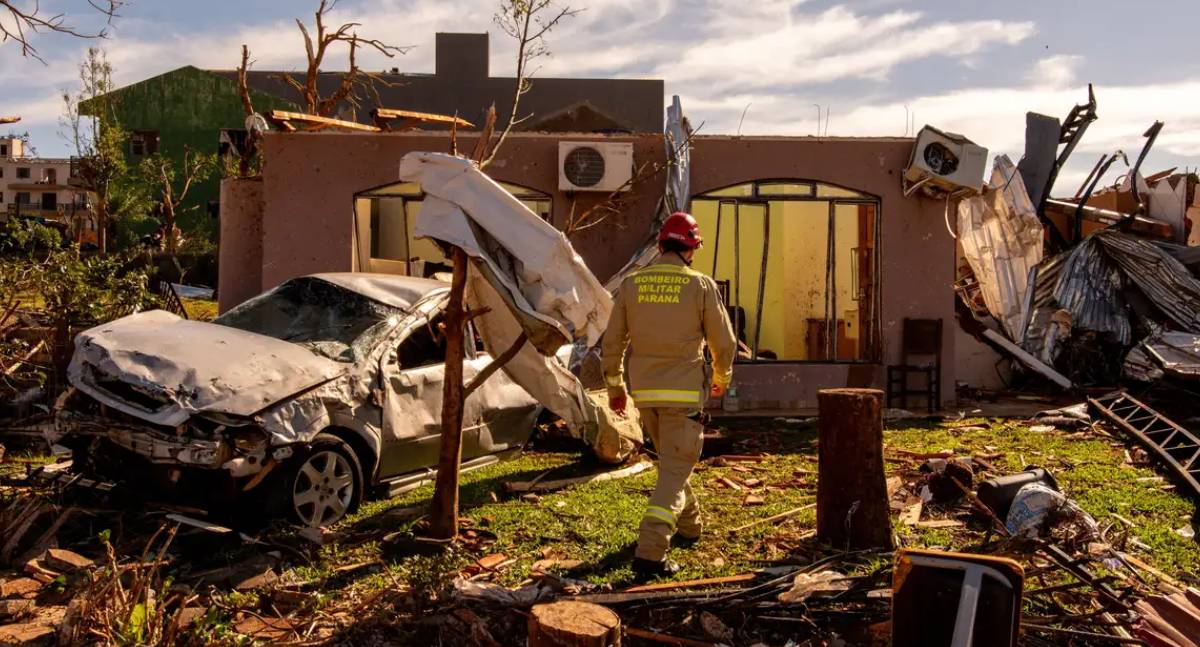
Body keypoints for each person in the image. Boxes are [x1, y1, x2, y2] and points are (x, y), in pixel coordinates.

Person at [601, 211, 737, 578]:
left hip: (645, 394)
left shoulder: (632, 284)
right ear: (690, 249)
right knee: (675, 468)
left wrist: (615, 386)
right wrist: (721, 378)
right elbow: (724, 343)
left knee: (673, 465)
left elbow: (612, 343)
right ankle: (651, 550)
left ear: (661, 246)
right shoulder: (700, 285)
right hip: (684, 395)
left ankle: (690, 526)